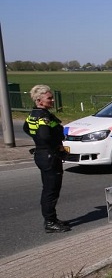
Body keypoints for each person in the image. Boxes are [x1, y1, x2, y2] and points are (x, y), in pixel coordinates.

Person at [24, 85, 71, 233]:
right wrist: (55, 147)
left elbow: (26, 128)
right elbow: (45, 135)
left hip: (42, 154)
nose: (52, 100)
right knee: (51, 190)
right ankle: (50, 222)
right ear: (39, 100)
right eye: (49, 98)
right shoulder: (43, 116)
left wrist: (38, 140)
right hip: (49, 156)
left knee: (49, 189)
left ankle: (52, 219)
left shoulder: (33, 114)